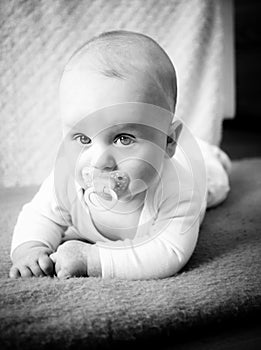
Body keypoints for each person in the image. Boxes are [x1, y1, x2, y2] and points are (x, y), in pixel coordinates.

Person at [9, 30, 230, 280]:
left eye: (123, 139)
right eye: (83, 139)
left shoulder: (179, 189)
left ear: (169, 140)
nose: (100, 161)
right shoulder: (65, 182)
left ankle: (211, 154)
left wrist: (91, 259)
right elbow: (39, 215)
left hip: (201, 179)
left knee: (216, 180)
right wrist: (31, 248)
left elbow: (168, 252)